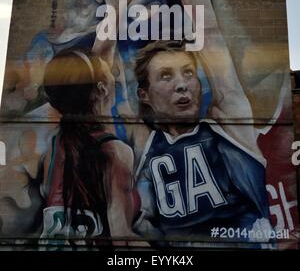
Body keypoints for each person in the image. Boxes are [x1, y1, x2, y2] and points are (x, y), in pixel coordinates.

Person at [133, 40, 273, 248]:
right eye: (166, 76)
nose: (182, 85)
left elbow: (210, 32)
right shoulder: (142, 147)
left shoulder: (227, 126)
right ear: (144, 95)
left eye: (188, 73)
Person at [40, 49, 138, 248]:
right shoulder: (115, 152)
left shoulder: (53, 148)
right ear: (102, 90)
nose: (114, 74)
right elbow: (123, 240)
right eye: (110, 70)